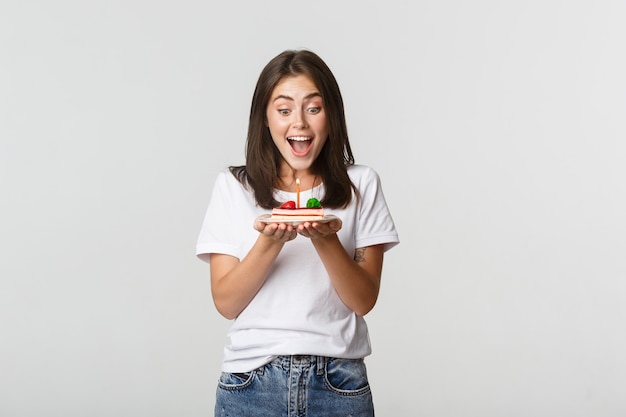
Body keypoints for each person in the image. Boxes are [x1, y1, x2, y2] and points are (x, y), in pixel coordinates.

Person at [196, 49, 399, 417]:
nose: (299, 123)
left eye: (314, 108)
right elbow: (226, 303)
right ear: (265, 119)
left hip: (340, 383)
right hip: (250, 383)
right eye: (284, 109)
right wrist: (270, 243)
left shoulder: (361, 184)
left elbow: (363, 299)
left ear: (331, 116)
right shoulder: (232, 187)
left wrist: (326, 240)